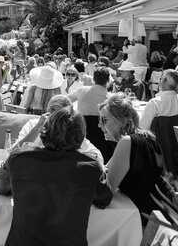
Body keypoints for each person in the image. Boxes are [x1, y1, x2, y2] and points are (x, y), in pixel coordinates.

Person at [0, 106, 108, 246]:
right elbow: (104, 199)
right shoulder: (90, 167)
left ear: (45, 130)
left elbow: (1, 187)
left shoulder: (19, 158)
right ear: (81, 135)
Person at [99, 94, 163, 225]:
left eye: (104, 120)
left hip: (140, 220)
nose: (100, 125)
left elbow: (105, 193)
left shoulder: (127, 142)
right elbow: (106, 169)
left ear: (122, 120)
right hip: (157, 212)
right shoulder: (148, 137)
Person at [14, 95, 104, 166]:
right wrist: (37, 128)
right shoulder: (33, 125)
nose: (53, 117)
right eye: (51, 111)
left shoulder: (71, 128)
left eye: (59, 114)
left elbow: (96, 155)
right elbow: (14, 152)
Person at [69, 67, 115, 162]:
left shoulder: (82, 90)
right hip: (101, 137)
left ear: (93, 79)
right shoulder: (111, 98)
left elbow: (65, 100)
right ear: (108, 80)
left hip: (82, 132)